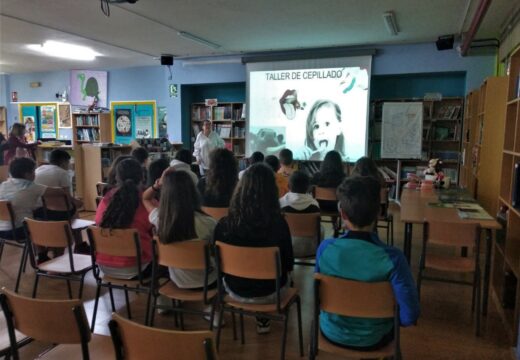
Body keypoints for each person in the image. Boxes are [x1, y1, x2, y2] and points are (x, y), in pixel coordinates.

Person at [315, 176, 419, 350]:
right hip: (375, 338)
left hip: (332, 332)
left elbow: (319, 296)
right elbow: (410, 315)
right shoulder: (394, 258)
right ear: (379, 212)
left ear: (342, 213)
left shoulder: (325, 249)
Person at [214, 163, 294, 334]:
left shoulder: (224, 225)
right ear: (272, 192)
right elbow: (288, 264)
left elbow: (217, 264)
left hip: (233, 289)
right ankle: (263, 317)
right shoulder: (279, 225)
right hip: (272, 292)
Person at [143, 169, 217, 289]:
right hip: (207, 282)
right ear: (193, 192)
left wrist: (157, 185)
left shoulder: (160, 219)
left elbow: (145, 198)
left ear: (165, 195)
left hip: (177, 281)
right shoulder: (208, 223)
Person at [0, 158, 69, 261]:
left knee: (34, 221)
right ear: (27, 174)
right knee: (59, 228)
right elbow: (59, 192)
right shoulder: (32, 187)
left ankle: (42, 256)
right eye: (33, 171)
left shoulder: (3, 185)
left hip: (2, 230)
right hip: (19, 231)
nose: (35, 174)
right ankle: (58, 261)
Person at [95, 158, 153, 279]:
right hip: (138, 267)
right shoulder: (147, 201)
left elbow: (98, 222)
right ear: (142, 177)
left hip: (104, 266)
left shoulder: (106, 199)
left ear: (117, 178)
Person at [279, 171, 322, 258]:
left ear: (289, 186)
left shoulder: (281, 203)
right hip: (312, 247)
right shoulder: (314, 204)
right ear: (308, 187)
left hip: (286, 247)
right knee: (322, 228)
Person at [34, 149, 83, 220]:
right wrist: (79, 202)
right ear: (64, 162)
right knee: (75, 206)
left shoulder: (39, 169)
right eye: (68, 162)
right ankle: (73, 229)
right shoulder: (63, 173)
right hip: (55, 211)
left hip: (37, 209)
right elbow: (67, 197)